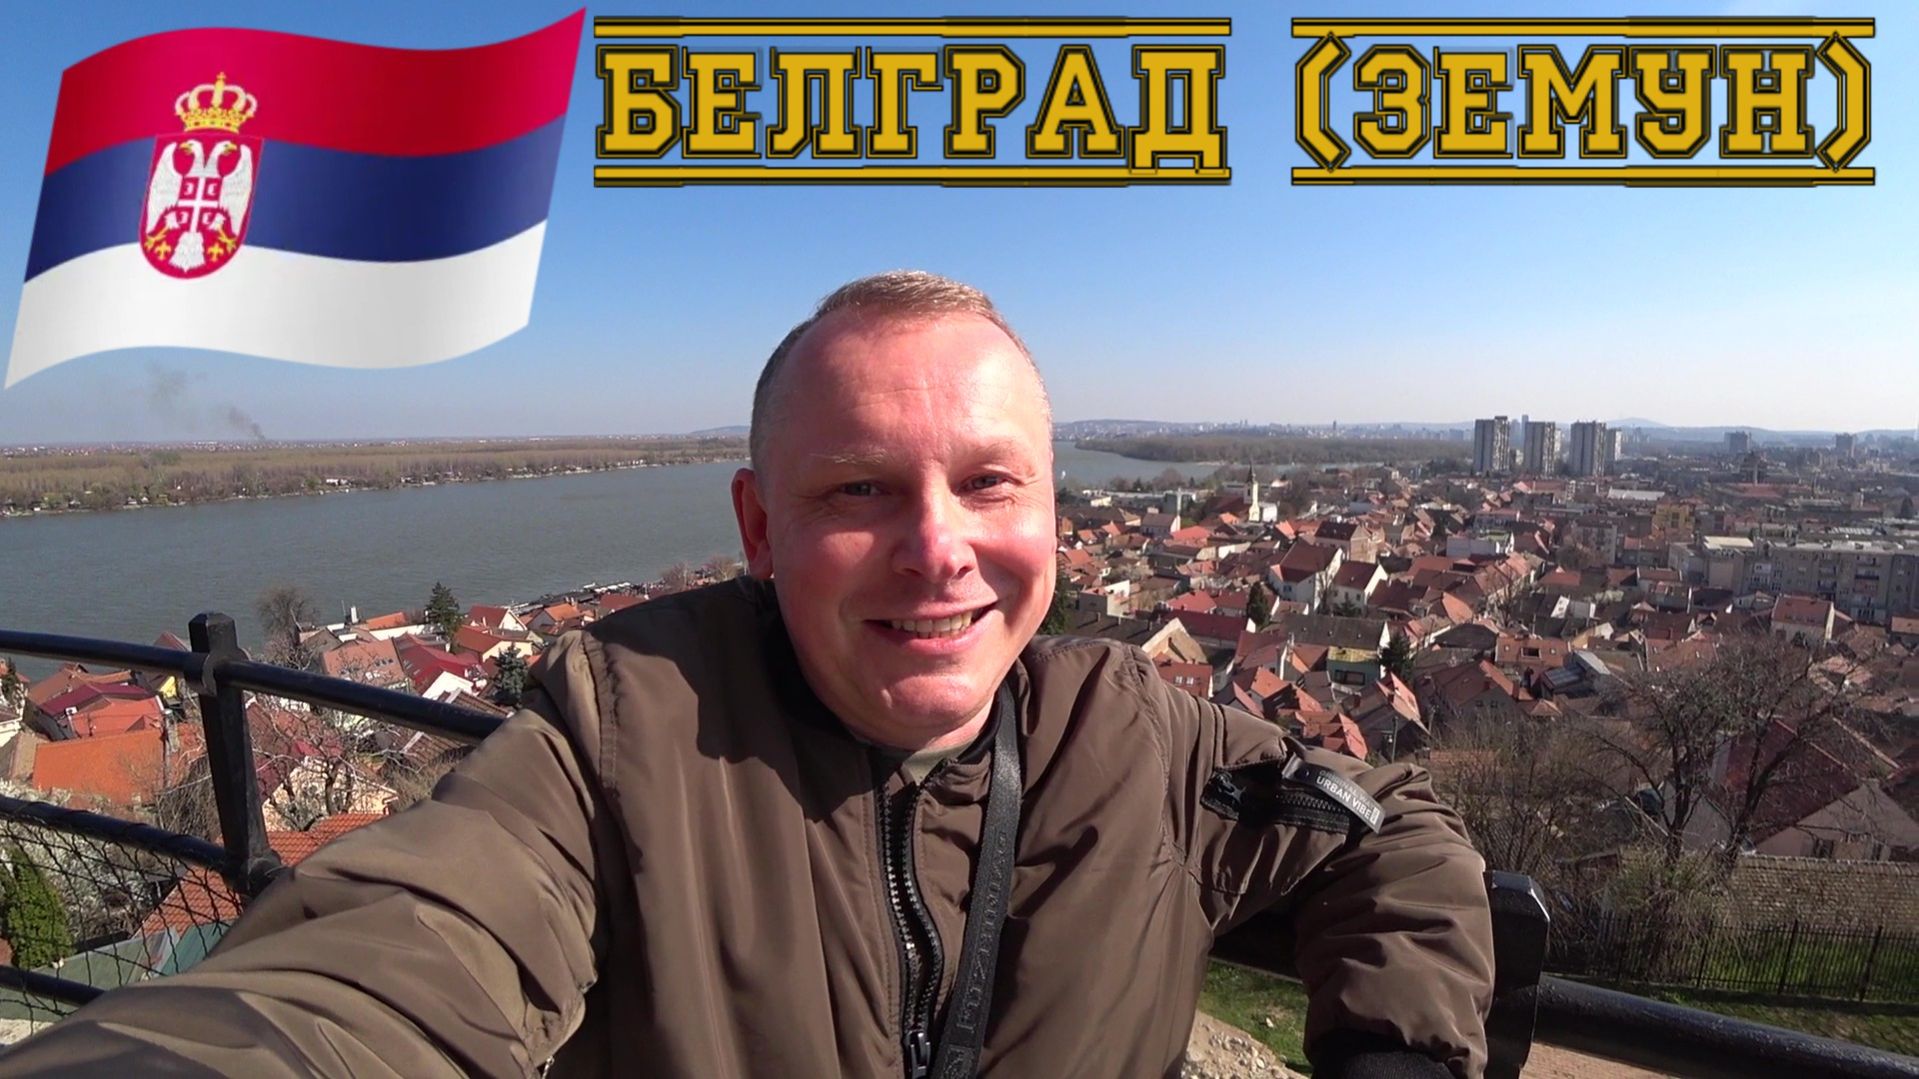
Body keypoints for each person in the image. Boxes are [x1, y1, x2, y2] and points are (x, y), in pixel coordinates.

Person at [0, 272, 1493, 1077]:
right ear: (759, 528)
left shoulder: (1146, 738)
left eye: (990, 482)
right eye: (857, 491)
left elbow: (1394, 836)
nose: (940, 549)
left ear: (1055, 514)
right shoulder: (621, 734)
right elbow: (394, 960)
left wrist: (1398, 1059)